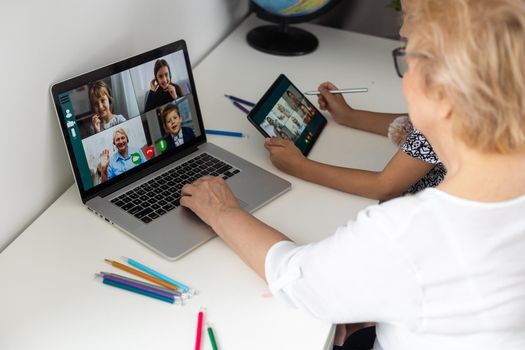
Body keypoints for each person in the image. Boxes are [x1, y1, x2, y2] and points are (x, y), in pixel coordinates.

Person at [180, 1, 525, 349]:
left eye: (410, 59)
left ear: (444, 96)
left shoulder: (405, 234)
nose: (405, 79)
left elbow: (294, 278)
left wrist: (224, 212)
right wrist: (383, 296)